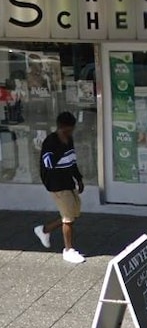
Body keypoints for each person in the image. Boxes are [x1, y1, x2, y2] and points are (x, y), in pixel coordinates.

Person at [33, 112, 86, 264]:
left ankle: (44, 230)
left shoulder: (69, 139)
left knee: (73, 213)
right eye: (68, 130)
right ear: (62, 128)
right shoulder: (51, 142)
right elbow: (48, 164)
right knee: (68, 218)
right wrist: (61, 146)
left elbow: (71, 160)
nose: (70, 133)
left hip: (68, 181)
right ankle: (68, 250)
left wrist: (79, 179)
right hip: (56, 184)